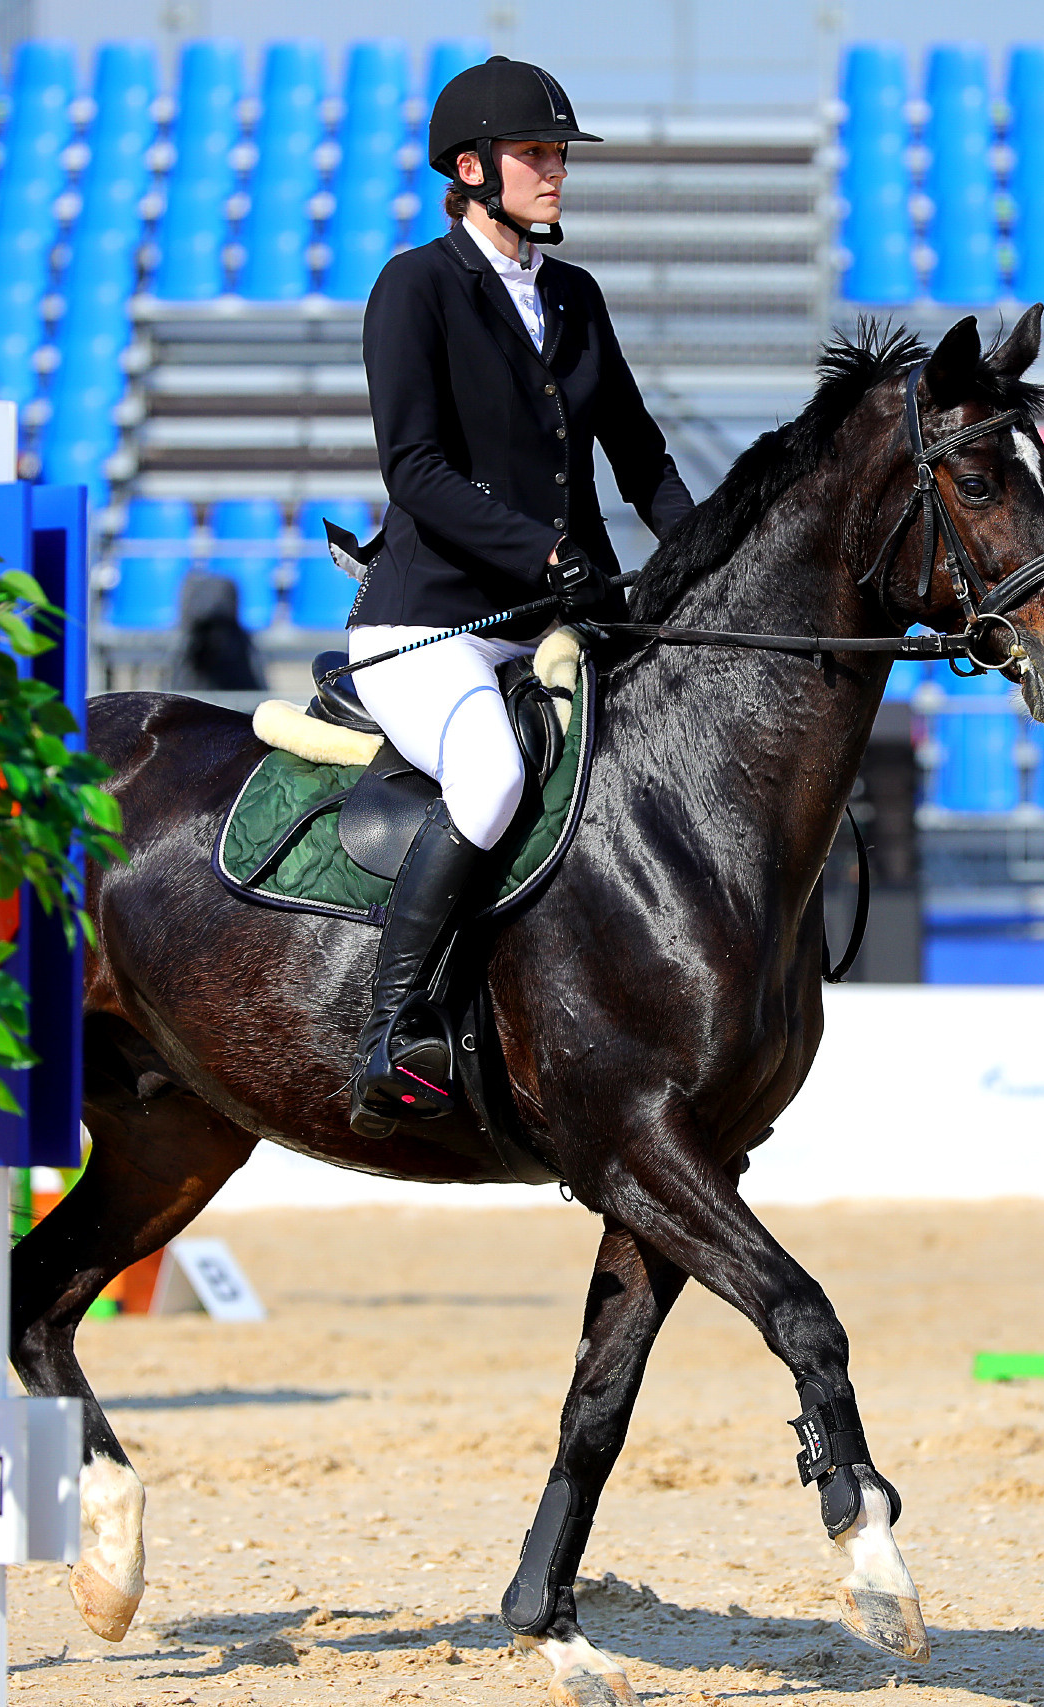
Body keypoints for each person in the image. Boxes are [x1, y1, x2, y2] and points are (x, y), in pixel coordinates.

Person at [342, 55, 696, 1133]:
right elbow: (416, 470)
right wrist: (545, 554)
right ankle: (389, 1026)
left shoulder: (573, 298)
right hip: (432, 626)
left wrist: (698, 561)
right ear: (472, 167)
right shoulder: (417, 287)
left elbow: (638, 456)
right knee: (491, 777)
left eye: (556, 155)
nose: (555, 172)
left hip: (558, 623)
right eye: (537, 154)